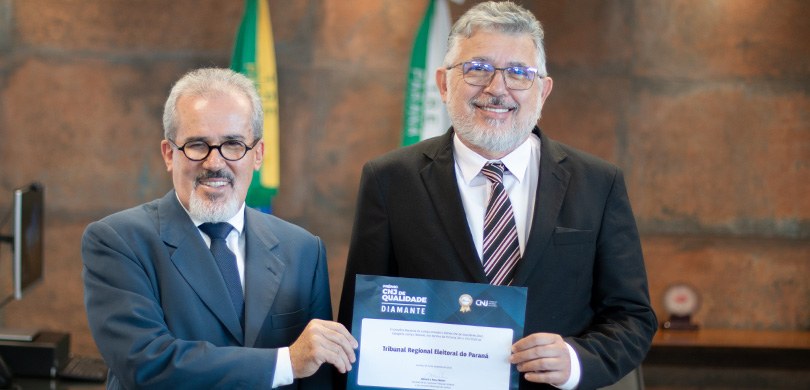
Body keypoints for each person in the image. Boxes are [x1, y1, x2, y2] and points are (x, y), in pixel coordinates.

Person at [337, 2, 656, 389]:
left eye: (519, 73)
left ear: (543, 90)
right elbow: (362, 319)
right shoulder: (389, 179)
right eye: (478, 68)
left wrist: (574, 361)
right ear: (443, 83)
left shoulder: (598, 183)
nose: (496, 88)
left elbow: (632, 317)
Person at [82, 68, 357, 389]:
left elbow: (317, 381)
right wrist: (286, 361)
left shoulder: (303, 250)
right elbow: (145, 363)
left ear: (258, 155)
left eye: (233, 144)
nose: (215, 163)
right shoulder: (118, 241)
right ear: (169, 154)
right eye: (198, 144)